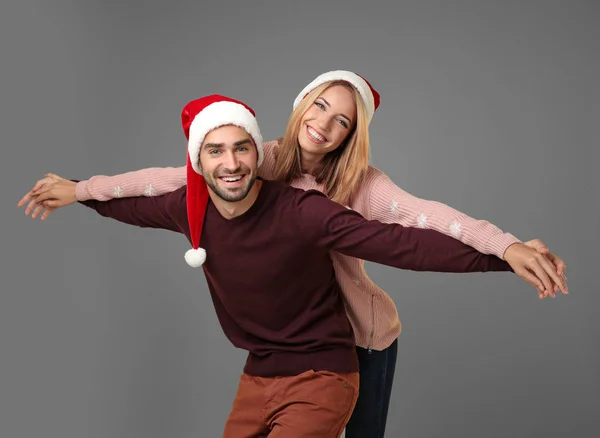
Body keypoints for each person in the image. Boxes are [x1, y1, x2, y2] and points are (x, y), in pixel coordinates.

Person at [19, 72, 567, 438]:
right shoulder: (260, 158)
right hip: (282, 344)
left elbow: (420, 225)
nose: (324, 124)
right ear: (302, 104)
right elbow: (167, 183)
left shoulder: (356, 186)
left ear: (352, 135)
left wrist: (505, 249)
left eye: (342, 121)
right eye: (320, 105)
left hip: (359, 334)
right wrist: (80, 188)